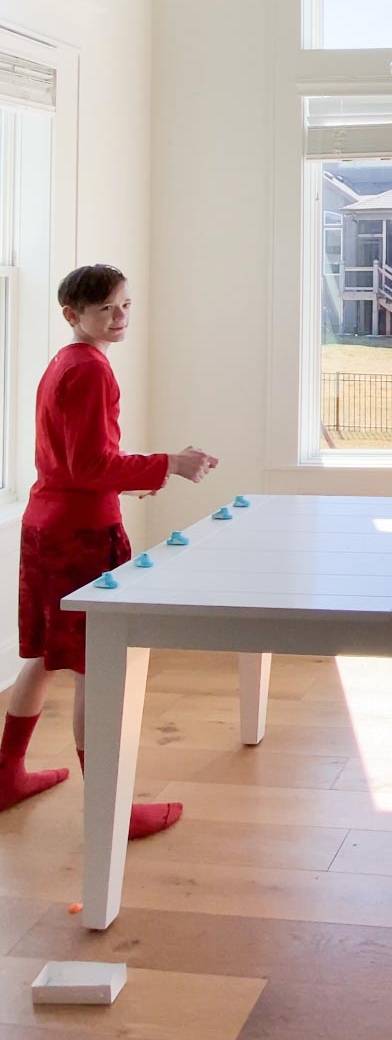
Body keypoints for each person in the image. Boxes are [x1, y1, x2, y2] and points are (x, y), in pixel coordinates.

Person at [0, 265, 216, 837]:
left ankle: (5, 775)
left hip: (46, 525)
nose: (120, 318)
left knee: (46, 654)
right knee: (99, 665)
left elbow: (77, 464)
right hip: (79, 537)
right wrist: (168, 463)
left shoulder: (63, 364)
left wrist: (148, 470)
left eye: (125, 306)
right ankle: (110, 811)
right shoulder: (90, 370)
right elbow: (91, 467)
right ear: (72, 315)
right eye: (107, 311)